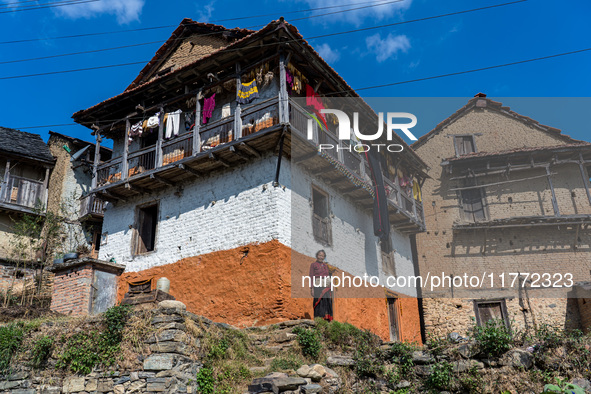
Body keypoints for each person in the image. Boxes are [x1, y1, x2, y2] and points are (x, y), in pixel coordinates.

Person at [309, 250, 333, 321]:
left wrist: (330, 286)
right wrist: (312, 288)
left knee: (326, 301)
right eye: (319, 255)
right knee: (318, 301)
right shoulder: (313, 265)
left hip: (326, 285)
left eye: (322, 256)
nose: (321, 257)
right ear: (317, 256)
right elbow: (311, 276)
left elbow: (328, 276)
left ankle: (326, 319)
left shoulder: (325, 266)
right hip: (318, 285)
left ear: (324, 257)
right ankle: (318, 319)